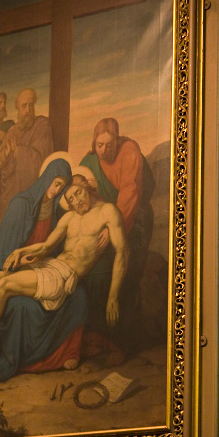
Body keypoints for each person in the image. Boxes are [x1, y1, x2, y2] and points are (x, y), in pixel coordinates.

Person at [0, 175, 128, 386]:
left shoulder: (107, 212)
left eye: (78, 193)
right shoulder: (69, 218)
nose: (76, 201)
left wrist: (113, 296)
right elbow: (46, 247)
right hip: (51, 266)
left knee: (4, 286)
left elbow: (123, 253)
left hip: (64, 276)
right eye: (70, 198)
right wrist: (20, 251)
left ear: (87, 187)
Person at [0, 157, 89, 384]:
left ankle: (66, 354)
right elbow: (3, 254)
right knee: (21, 306)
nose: (57, 190)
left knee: (79, 295)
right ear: (46, 178)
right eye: (56, 183)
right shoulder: (21, 204)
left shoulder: (55, 212)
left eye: (62, 187)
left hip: (43, 269)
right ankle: (18, 360)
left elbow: (51, 248)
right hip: (14, 270)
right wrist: (21, 263)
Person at [80, 117, 155, 356]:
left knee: (127, 275)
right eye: (99, 145)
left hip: (133, 220)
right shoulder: (90, 161)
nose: (103, 150)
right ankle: (97, 337)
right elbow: (78, 189)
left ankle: (123, 343)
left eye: (109, 145)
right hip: (104, 222)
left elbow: (130, 194)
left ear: (117, 141)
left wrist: (112, 227)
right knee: (95, 272)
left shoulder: (129, 151)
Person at [0, 88, 54, 218]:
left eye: (31, 105)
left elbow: (41, 158)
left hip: (28, 190)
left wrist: (17, 150)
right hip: (9, 194)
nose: (28, 110)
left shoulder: (42, 125)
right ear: (18, 108)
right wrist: (6, 154)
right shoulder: (13, 130)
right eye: (24, 106)